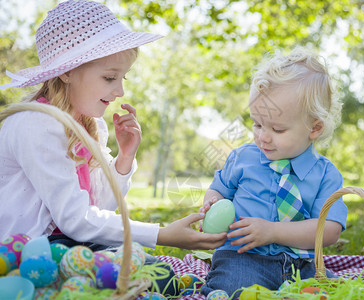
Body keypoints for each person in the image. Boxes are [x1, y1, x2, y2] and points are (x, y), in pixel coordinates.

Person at [0, 0, 226, 295]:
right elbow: (75, 219)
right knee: (147, 275)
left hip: (70, 244)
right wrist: (161, 234)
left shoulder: (89, 124)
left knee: (160, 273)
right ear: (67, 72)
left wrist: (124, 157)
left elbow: (97, 210)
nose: (120, 91)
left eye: (122, 78)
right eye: (109, 77)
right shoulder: (35, 123)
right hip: (32, 252)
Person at [199, 48, 348, 298]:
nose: (262, 137)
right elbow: (218, 189)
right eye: (257, 124)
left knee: (339, 292)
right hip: (243, 258)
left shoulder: (326, 175)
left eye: (277, 129)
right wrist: (212, 202)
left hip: (301, 266)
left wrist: (273, 231)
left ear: (315, 128)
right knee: (234, 288)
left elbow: (329, 230)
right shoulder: (242, 158)